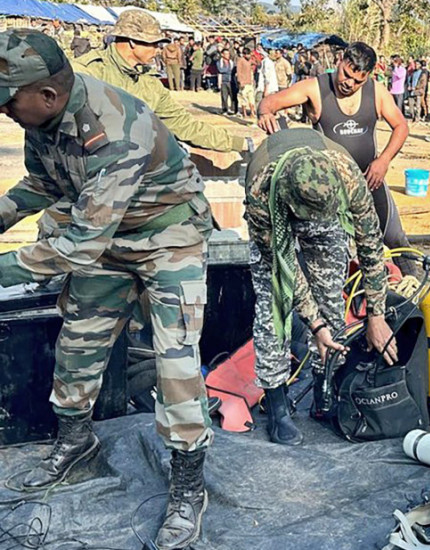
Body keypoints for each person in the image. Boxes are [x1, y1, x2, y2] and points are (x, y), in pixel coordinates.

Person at [0, 29, 212, 550]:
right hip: (108, 238)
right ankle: (76, 443)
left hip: (169, 238)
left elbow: (77, 246)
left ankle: (188, 484)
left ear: (46, 94)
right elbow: (42, 184)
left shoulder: (115, 127)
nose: (4, 111)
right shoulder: (42, 118)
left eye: (8, 101)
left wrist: (4, 268)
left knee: (176, 362)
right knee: (78, 342)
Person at [244, 129, 397, 446]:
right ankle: (277, 402)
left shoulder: (347, 176)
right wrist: (314, 325)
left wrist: (376, 315)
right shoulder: (260, 189)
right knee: (273, 306)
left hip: (323, 207)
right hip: (275, 208)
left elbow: (370, 244)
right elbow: (284, 269)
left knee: (330, 297)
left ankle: (324, 388)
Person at [256, 42, 416, 275]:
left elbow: (401, 126)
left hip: (369, 180)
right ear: (340, 61)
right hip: (330, 188)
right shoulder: (315, 88)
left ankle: (415, 287)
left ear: (368, 76)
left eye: (358, 81)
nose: (349, 83)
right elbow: (269, 103)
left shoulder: (377, 91)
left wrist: (383, 161)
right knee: (334, 252)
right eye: (346, 75)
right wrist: (265, 114)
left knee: (395, 238)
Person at [73, 11, 246, 153]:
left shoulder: (149, 82)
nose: (158, 50)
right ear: (132, 42)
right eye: (154, 44)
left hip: (132, 166)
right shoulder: (88, 72)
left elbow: (183, 123)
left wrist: (237, 143)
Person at [237, 46, 256, 117]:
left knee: (251, 99)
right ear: (244, 54)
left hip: (250, 82)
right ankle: (244, 113)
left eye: (249, 54)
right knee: (243, 99)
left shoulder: (250, 60)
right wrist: (240, 82)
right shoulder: (240, 60)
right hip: (243, 83)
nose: (248, 56)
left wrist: (254, 56)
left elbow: (257, 63)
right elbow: (239, 72)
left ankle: (252, 112)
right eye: (247, 54)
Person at [217, 48, 235, 115]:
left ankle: (233, 109)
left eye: (228, 54)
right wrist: (229, 70)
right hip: (223, 81)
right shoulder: (219, 62)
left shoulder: (231, 62)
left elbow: (233, 70)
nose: (228, 55)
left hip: (231, 81)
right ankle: (224, 110)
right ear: (222, 54)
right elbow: (220, 70)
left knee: (233, 96)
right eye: (226, 54)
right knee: (224, 97)